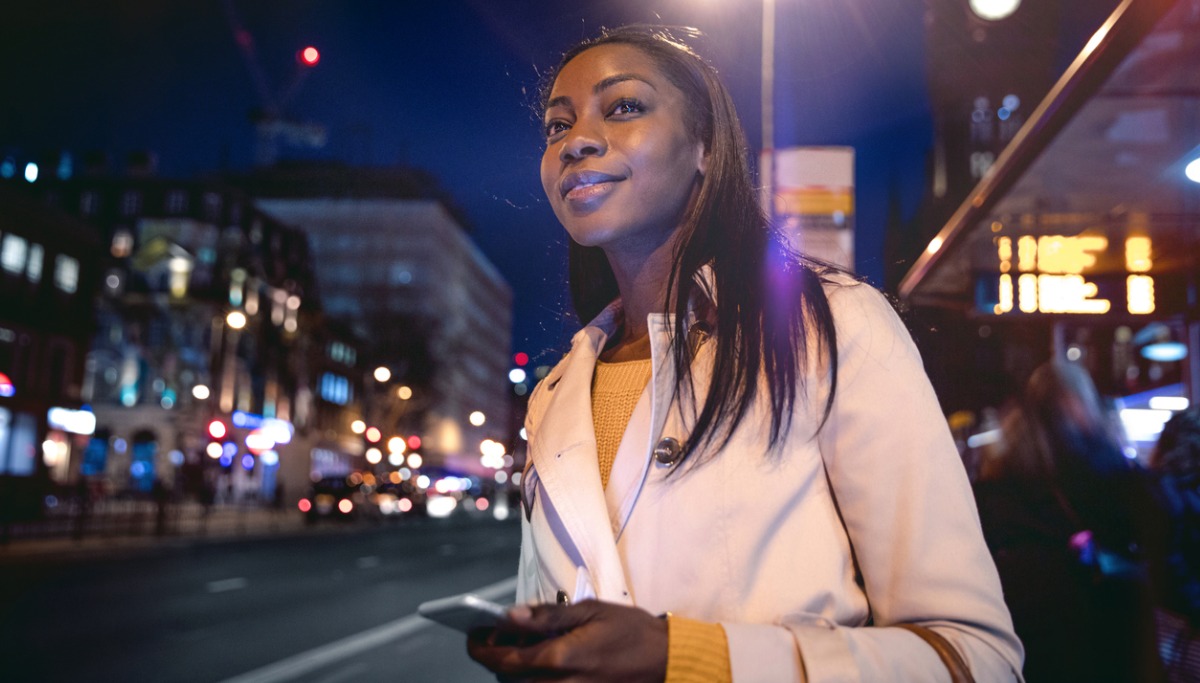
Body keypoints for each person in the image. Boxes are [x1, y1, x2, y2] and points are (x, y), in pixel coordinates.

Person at [468, 26, 1022, 682]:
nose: (576, 141)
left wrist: (687, 658)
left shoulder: (833, 325)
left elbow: (973, 657)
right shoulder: (554, 391)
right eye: (557, 125)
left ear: (704, 146)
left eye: (623, 107)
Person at [974, 360, 1163, 682]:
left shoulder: (1000, 479)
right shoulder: (1109, 469)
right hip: (1112, 630)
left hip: (1028, 635)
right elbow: (1154, 529)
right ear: (1084, 401)